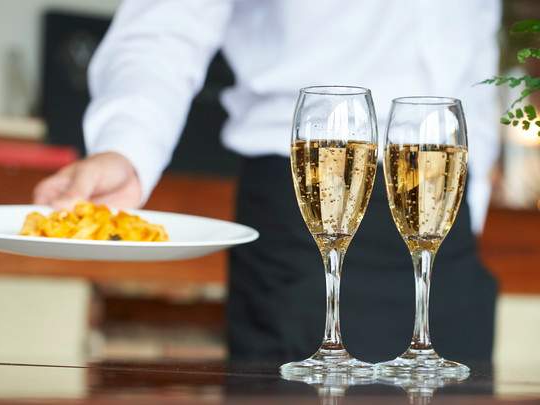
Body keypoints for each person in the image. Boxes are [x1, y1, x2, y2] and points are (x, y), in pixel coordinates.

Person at [34, 0, 501, 364]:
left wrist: (469, 200)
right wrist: (125, 146)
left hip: (445, 228)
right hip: (304, 211)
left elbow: (478, 54)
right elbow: (166, 24)